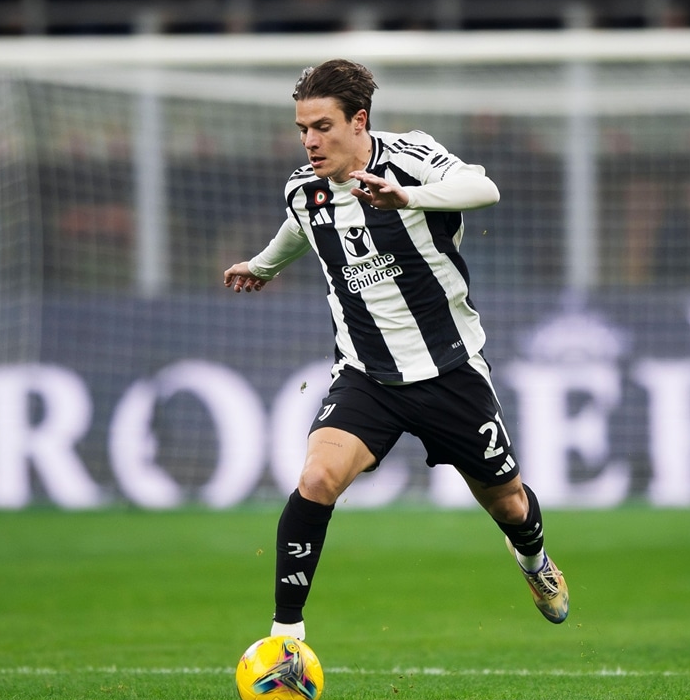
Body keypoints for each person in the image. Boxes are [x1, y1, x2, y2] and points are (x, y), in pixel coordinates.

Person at [222, 59, 568, 641]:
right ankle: (286, 637)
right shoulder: (304, 189)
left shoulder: (411, 156)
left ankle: (534, 561)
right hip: (367, 377)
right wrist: (262, 266)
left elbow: (484, 188)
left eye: (323, 127)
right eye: (303, 129)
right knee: (317, 480)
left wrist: (408, 197)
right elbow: (299, 226)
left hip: (450, 369)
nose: (310, 141)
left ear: (359, 121)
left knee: (509, 504)